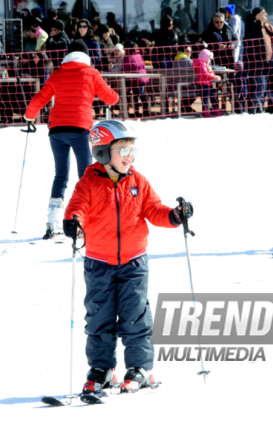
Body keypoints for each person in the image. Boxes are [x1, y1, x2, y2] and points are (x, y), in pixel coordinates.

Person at [62, 120, 193, 396]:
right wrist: (73, 221)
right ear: (101, 152)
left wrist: (174, 215)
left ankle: (140, 368)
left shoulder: (138, 181)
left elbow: (154, 209)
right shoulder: (88, 183)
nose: (128, 156)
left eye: (131, 150)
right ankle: (102, 369)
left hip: (134, 262)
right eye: (122, 149)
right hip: (98, 263)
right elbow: (77, 208)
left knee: (136, 316)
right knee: (99, 318)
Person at [22, 40, 119, 239]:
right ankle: (83, 219)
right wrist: (114, 97)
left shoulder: (58, 73)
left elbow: (41, 97)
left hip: (56, 129)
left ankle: (52, 221)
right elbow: (111, 98)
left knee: (60, 175)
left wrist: (29, 115)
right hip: (80, 129)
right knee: (86, 175)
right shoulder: (92, 73)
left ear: (67, 54)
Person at [244, 7, 273, 113]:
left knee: (264, 87)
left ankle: (258, 108)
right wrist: (258, 61)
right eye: (264, 12)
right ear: (258, 15)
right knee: (260, 86)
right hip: (257, 64)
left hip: (267, 63)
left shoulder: (265, 28)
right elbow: (250, 48)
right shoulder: (252, 29)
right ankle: (254, 108)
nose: (266, 14)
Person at [122, 40, 151, 118]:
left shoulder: (127, 57)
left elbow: (126, 68)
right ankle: (146, 110)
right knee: (142, 95)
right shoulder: (139, 55)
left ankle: (136, 111)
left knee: (135, 96)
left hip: (134, 79)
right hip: (142, 78)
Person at [193, 48, 222, 117]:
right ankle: (205, 111)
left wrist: (213, 77)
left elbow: (209, 72)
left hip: (208, 83)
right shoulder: (201, 64)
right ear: (205, 57)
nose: (210, 60)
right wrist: (214, 77)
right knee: (205, 98)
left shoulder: (206, 64)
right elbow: (205, 74)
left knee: (212, 97)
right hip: (203, 84)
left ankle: (215, 110)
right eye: (209, 58)